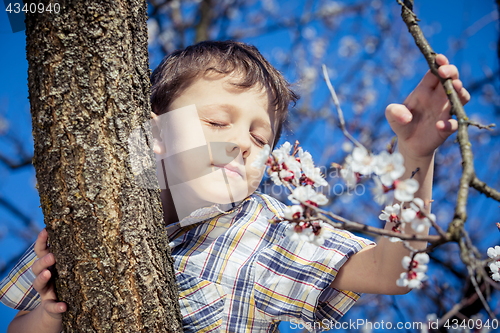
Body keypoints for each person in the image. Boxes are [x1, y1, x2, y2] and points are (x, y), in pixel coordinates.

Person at [2, 41, 470, 332]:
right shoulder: (87, 213)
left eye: (260, 136)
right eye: (216, 121)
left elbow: (392, 272)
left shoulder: (264, 230)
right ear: (154, 134)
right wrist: (47, 318)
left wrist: (414, 158)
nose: (242, 144)